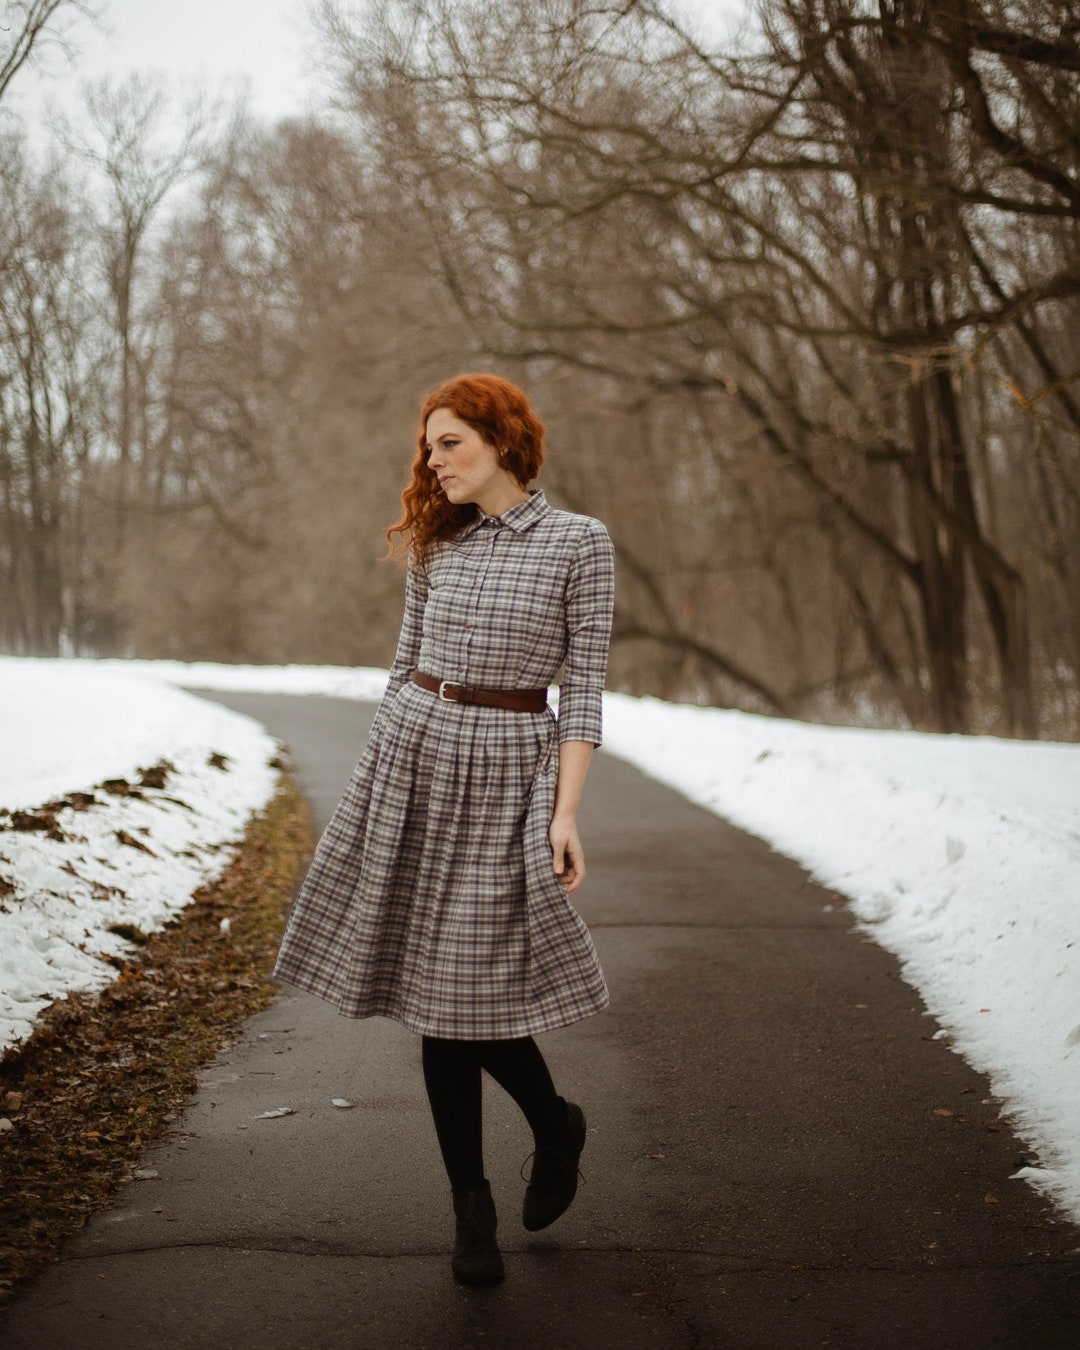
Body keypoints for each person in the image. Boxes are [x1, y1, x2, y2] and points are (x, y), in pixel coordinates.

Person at [273, 372, 616, 1284]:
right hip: (415, 754)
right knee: (436, 995)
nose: (433, 461)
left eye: (450, 443)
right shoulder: (438, 542)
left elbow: (582, 689)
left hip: (508, 769)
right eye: (429, 446)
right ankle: (471, 1207)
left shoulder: (579, 543)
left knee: (470, 986)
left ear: (502, 440)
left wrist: (565, 811)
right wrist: (380, 778)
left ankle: (554, 1123)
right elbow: (402, 665)